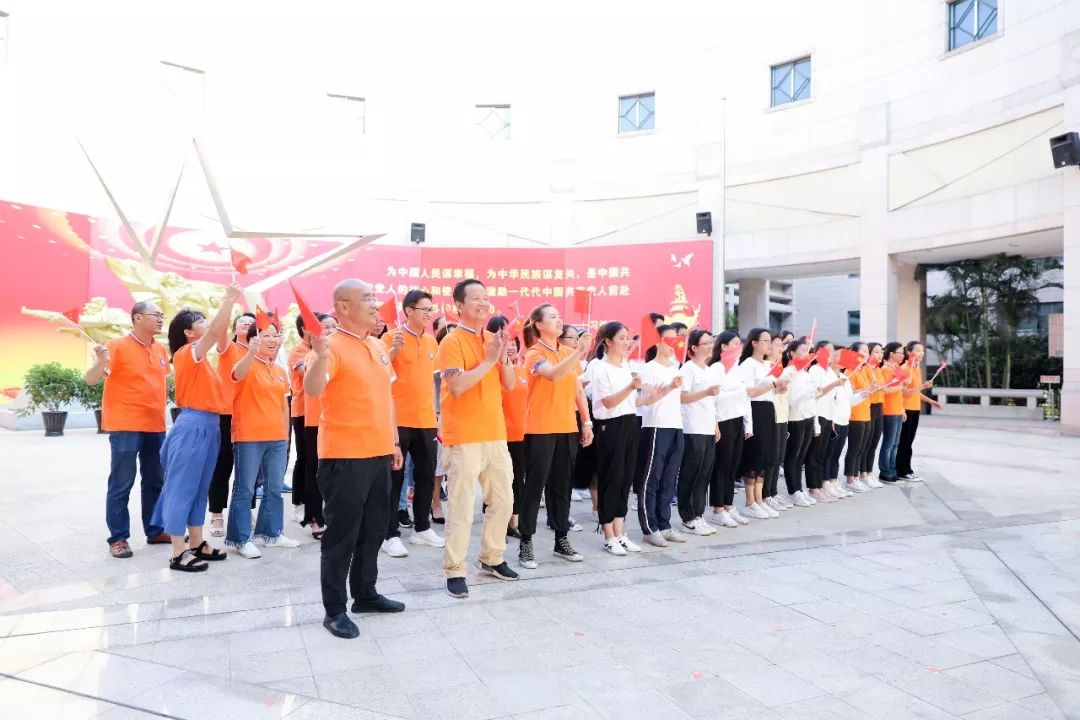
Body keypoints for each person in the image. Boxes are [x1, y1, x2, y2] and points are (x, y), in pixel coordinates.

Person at [304, 279, 405, 639]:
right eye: (367, 299)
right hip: (344, 456)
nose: (375, 304)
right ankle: (334, 610)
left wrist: (393, 441)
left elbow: (386, 397)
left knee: (374, 529)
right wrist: (320, 355)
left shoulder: (376, 343)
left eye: (374, 297)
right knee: (342, 536)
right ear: (344, 306)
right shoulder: (330, 346)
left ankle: (365, 593)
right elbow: (313, 388)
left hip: (378, 453)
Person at [436, 279, 519, 599]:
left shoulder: (491, 339)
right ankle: (455, 569)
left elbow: (509, 384)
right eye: (476, 298)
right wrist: (488, 360)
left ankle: (492, 557)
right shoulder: (451, 341)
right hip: (464, 436)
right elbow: (457, 386)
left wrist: (502, 358)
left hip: (495, 434)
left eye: (486, 297)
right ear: (458, 305)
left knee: (504, 500)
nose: (483, 303)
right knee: (461, 507)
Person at [154, 284, 243, 572]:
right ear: (189, 333)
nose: (207, 324)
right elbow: (217, 331)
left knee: (200, 487)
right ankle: (177, 551)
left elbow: (217, 331)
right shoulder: (186, 354)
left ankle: (196, 542)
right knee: (182, 488)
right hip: (192, 426)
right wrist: (229, 298)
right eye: (200, 321)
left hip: (209, 425)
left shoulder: (203, 360)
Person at [85, 301, 172, 559]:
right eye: (155, 315)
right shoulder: (117, 346)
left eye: (162, 315)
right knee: (122, 481)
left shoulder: (160, 349)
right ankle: (118, 537)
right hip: (125, 425)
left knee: (155, 480)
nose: (160, 319)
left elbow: (161, 382)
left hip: (155, 424)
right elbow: (91, 379)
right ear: (137, 318)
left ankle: (155, 530)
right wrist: (101, 361)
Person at [518, 304, 593, 569]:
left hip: (567, 427)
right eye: (553, 317)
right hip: (540, 429)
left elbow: (577, 390)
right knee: (534, 486)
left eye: (559, 316)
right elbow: (551, 374)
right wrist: (579, 352)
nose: (559, 320)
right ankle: (526, 541)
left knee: (562, 486)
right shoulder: (534, 354)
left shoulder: (568, 353)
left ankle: (561, 539)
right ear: (539, 325)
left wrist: (586, 421)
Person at [225, 314, 300, 557]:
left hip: (277, 437)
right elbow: (236, 374)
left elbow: (284, 406)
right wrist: (250, 351)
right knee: (245, 489)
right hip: (249, 437)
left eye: (276, 335)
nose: (273, 340)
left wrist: (286, 437)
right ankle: (240, 539)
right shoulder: (245, 362)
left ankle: (271, 533)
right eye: (266, 335)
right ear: (254, 339)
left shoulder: (278, 369)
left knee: (274, 488)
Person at [381, 289, 444, 558]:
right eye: (424, 309)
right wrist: (393, 349)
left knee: (426, 476)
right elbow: (379, 371)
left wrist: (438, 416)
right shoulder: (389, 338)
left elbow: (433, 382)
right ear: (408, 311)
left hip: (426, 419)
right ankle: (389, 534)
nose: (429, 314)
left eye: (431, 310)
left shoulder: (431, 342)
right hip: (398, 419)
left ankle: (422, 528)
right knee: (394, 478)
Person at [589, 321, 643, 556]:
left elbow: (632, 402)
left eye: (627, 338)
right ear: (608, 341)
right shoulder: (600, 369)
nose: (626, 342)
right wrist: (631, 387)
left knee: (625, 480)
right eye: (621, 338)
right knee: (611, 480)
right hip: (610, 428)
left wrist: (660, 392)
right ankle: (608, 535)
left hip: (630, 423)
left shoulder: (626, 367)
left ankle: (620, 533)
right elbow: (608, 402)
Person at [636, 325, 687, 547]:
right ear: (657, 342)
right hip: (656, 426)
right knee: (652, 478)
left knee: (669, 478)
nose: (674, 345)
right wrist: (669, 386)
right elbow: (648, 393)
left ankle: (664, 524)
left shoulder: (676, 368)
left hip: (676, 425)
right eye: (669, 340)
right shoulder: (648, 368)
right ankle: (649, 527)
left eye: (677, 340)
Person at [207, 313, 255, 537]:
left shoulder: (259, 352)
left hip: (251, 414)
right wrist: (229, 301)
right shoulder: (228, 348)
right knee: (222, 465)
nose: (246, 323)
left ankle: (246, 510)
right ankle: (216, 514)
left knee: (249, 468)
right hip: (226, 413)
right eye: (241, 321)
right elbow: (219, 329)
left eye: (250, 322)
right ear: (234, 328)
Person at [737, 329, 788, 519]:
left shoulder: (767, 364)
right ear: (754, 343)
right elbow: (749, 392)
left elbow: (772, 390)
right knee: (754, 456)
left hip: (768, 409)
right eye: (765, 341)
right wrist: (772, 385)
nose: (769, 344)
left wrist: (780, 388)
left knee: (765, 456)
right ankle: (750, 501)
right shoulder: (748, 364)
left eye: (769, 341)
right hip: (755, 410)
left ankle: (759, 499)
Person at [676, 329, 720, 536]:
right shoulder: (688, 369)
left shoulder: (708, 370)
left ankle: (698, 514)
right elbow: (682, 397)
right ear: (693, 347)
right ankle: (687, 518)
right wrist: (705, 392)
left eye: (711, 342)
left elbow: (712, 402)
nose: (710, 346)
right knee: (690, 473)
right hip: (692, 427)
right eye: (706, 343)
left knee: (704, 473)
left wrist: (715, 425)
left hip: (707, 427)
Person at [300, 313, 338, 539]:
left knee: (335, 474)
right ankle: (315, 517)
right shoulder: (312, 355)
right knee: (316, 472)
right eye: (326, 326)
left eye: (334, 325)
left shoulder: (342, 353)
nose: (331, 329)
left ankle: (332, 516)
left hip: (337, 421)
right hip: (315, 422)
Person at [708, 331, 751, 528]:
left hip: (736, 419)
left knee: (733, 466)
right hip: (722, 420)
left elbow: (744, 398)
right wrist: (737, 393)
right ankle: (718, 509)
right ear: (724, 346)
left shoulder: (737, 368)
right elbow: (714, 397)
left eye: (740, 344)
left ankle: (728, 505)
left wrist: (748, 424)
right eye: (735, 343)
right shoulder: (716, 368)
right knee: (722, 466)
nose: (739, 347)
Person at [491, 316, 527, 539]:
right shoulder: (493, 370)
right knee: (498, 482)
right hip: (497, 433)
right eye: (506, 342)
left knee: (517, 479)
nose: (510, 346)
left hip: (520, 434)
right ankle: (498, 523)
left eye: (513, 342)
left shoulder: (523, 370)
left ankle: (514, 521)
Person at [806, 341, 848, 501]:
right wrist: (834, 384)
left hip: (828, 416)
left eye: (832, 351)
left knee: (822, 454)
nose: (831, 353)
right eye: (828, 350)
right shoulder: (815, 370)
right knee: (814, 454)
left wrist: (832, 419)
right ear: (819, 352)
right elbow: (816, 394)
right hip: (818, 415)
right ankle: (813, 487)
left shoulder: (828, 371)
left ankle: (819, 486)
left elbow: (833, 399)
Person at [782, 338, 818, 507]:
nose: (806, 354)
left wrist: (815, 421)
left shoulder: (806, 372)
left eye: (807, 351)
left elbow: (812, 399)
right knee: (793, 455)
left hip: (808, 416)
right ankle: (793, 491)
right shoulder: (789, 372)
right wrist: (810, 393)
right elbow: (790, 400)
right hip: (795, 418)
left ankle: (799, 489)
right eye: (802, 351)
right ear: (791, 353)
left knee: (802, 456)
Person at [897, 341, 936, 482]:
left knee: (909, 442)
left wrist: (930, 401)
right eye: (918, 350)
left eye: (922, 350)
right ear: (909, 352)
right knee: (904, 442)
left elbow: (915, 392)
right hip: (906, 409)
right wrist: (923, 386)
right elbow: (904, 393)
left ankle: (907, 470)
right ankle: (902, 471)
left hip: (915, 409)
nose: (921, 353)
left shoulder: (916, 368)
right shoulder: (904, 369)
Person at [844, 342, 880, 492]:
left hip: (866, 413)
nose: (867, 354)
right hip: (855, 414)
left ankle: (856, 476)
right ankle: (850, 479)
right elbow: (848, 392)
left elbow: (865, 390)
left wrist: (871, 388)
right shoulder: (849, 371)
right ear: (855, 354)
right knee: (854, 448)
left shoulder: (863, 370)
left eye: (867, 351)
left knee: (861, 448)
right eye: (864, 351)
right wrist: (866, 389)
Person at [287, 315, 309, 525]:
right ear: (304, 328)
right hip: (302, 410)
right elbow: (307, 373)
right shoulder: (297, 351)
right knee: (304, 458)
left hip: (322, 412)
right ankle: (298, 503)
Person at [878, 342, 910, 483]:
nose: (903, 356)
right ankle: (885, 471)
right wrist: (901, 385)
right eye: (900, 353)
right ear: (891, 354)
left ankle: (892, 469)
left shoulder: (897, 368)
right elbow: (885, 390)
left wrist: (902, 409)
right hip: (889, 410)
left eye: (903, 353)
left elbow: (899, 391)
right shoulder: (885, 369)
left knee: (896, 443)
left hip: (897, 409)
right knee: (889, 443)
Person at [861, 342, 886, 482]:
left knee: (874, 441)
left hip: (879, 406)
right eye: (876, 352)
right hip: (869, 406)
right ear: (869, 354)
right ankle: (862, 473)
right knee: (867, 441)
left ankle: (869, 472)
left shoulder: (879, 369)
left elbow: (883, 388)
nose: (880, 354)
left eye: (881, 351)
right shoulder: (864, 369)